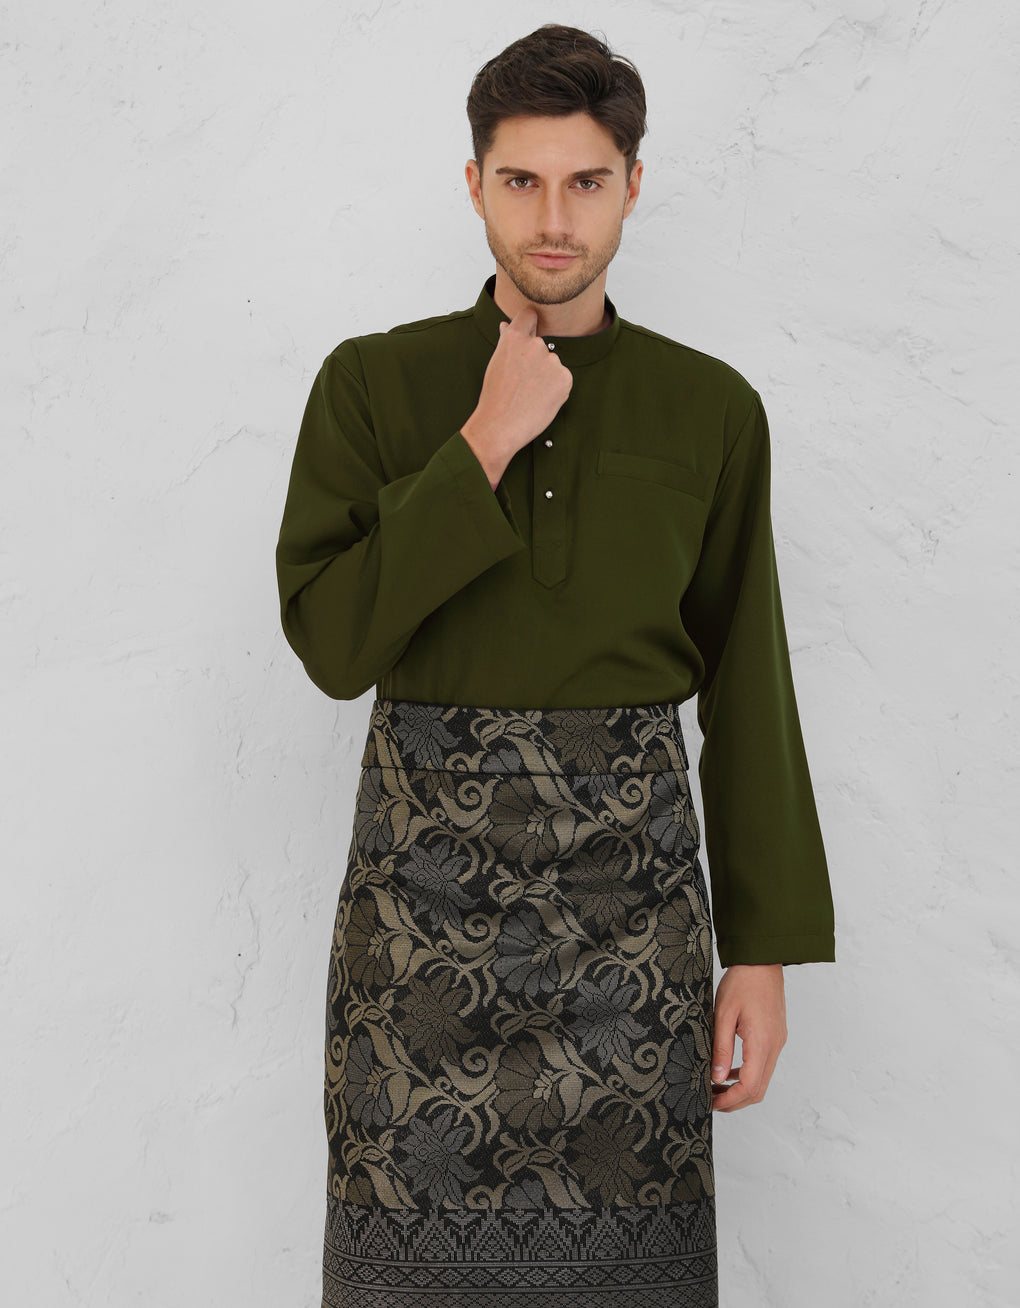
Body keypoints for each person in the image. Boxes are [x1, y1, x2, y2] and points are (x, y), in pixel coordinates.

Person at [275, 22, 835, 1308]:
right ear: (474, 183)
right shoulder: (372, 386)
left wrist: (761, 955)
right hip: (418, 933)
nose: (552, 219)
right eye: (521, 181)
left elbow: (750, 688)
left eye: (586, 181)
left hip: (632, 933)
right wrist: (480, 443)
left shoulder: (709, 409)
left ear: (633, 185)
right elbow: (333, 643)